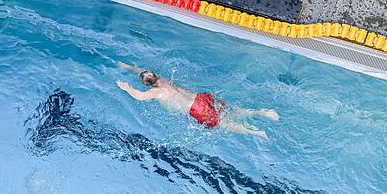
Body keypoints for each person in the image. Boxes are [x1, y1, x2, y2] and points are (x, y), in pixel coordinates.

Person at [115, 62, 279, 139]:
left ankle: (257, 133)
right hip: (201, 98)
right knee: (229, 111)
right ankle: (261, 112)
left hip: (196, 109)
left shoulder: (155, 92)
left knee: (225, 123)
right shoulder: (162, 79)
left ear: (146, 84)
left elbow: (139, 96)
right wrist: (128, 67)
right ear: (154, 75)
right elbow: (142, 71)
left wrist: (126, 88)